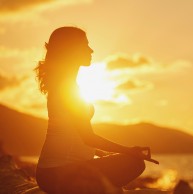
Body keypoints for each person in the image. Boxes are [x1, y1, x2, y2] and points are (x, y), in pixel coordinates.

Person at [35, 26, 154, 194]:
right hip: (59, 173)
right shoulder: (66, 89)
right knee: (134, 163)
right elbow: (88, 137)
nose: (91, 50)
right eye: (85, 45)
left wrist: (103, 155)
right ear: (72, 50)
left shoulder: (66, 85)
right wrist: (129, 151)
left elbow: (75, 137)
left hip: (53, 173)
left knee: (122, 171)